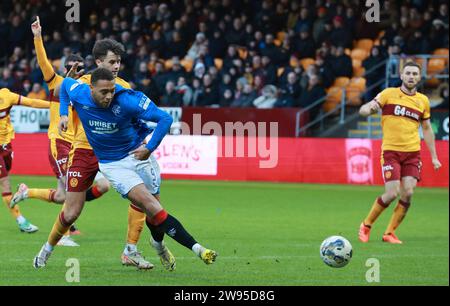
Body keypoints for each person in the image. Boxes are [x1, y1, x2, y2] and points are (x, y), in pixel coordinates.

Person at [32, 68, 218, 268]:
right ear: (91, 88)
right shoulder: (79, 91)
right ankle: (198, 249)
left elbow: (165, 119)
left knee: (154, 210)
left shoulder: (127, 99)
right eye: (104, 92)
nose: (109, 96)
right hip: (113, 164)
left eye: (112, 90)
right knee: (151, 206)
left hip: (138, 155)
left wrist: (149, 148)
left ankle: (157, 244)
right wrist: (63, 115)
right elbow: (64, 87)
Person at [11, 17, 108, 242]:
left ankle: (27, 192)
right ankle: (65, 232)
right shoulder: (57, 85)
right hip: (59, 143)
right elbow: (44, 63)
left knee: (80, 191)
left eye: (82, 68)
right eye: (74, 68)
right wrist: (37, 37)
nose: (78, 71)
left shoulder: (85, 89)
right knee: (70, 189)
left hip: (77, 146)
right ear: (65, 69)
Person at [358, 61, 442, 244]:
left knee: (408, 192)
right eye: (408, 73)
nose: (411, 76)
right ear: (402, 76)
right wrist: (367, 110)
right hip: (391, 152)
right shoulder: (389, 94)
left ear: (419, 78)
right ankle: (366, 224)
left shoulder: (423, 101)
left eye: (414, 74)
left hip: (413, 153)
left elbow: (427, 129)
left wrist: (434, 157)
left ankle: (389, 233)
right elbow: (368, 107)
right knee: (391, 193)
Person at [0, 88, 50, 233]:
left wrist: (53, 105)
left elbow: (32, 102)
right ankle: (21, 221)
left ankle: (16, 197)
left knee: (5, 178)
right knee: (5, 183)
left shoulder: (6, 95)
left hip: (6, 146)